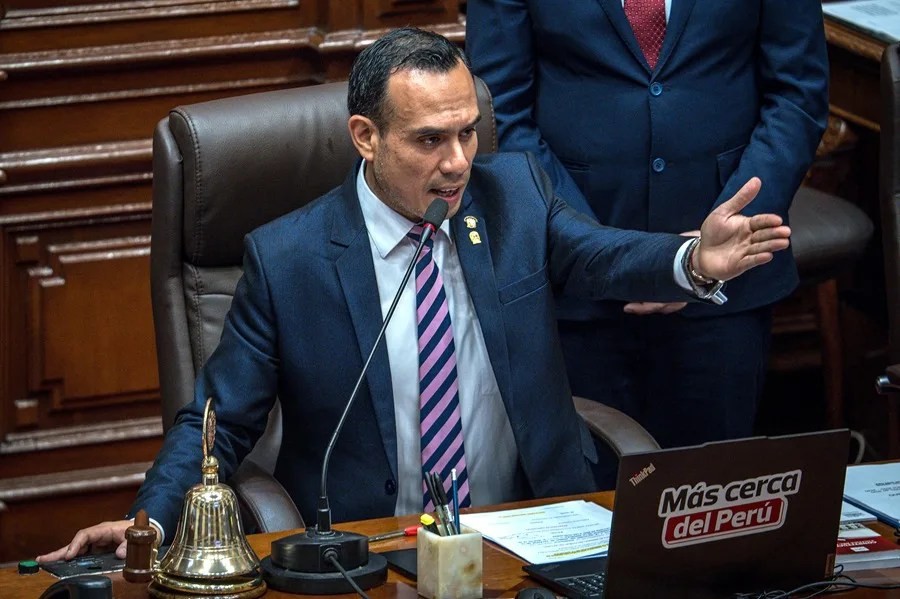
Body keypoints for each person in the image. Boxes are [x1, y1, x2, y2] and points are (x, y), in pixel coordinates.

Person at [37, 27, 790, 562]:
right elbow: (217, 421)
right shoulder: (287, 258)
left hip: (526, 535)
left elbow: (600, 256)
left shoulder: (514, 196)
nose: (458, 161)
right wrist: (148, 520)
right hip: (370, 551)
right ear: (366, 136)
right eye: (430, 139)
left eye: (468, 132)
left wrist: (692, 260)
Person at [466, 0, 828, 456]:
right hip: (572, 284)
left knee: (707, 484)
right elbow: (497, 108)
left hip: (725, 283)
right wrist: (604, 253)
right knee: (588, 488)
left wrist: (725, 236)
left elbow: (798, 94)